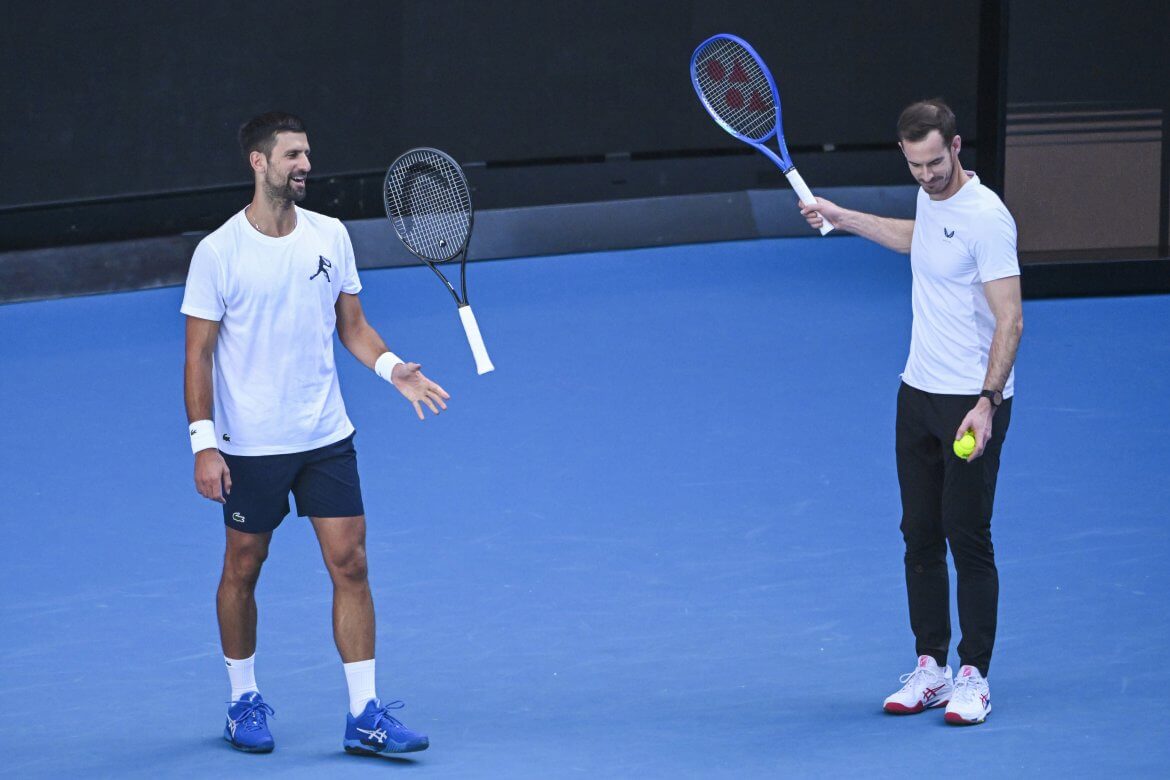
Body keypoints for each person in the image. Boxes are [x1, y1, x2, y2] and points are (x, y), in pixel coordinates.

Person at [182, 111, 449, 754]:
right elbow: (197, 356)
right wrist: (204, 444)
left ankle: (365, 715)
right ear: (259, 162)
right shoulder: (218, 252)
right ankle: (242, 699)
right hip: (252, 445)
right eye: (293, 155)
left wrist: (393, 371)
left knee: (351, 564)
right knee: (244, 567)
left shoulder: (330, 236)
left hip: (327, 434)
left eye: (307, 155)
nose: (305, 165)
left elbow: (352, 326)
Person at [799, 100, 1022, 726]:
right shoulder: (931, 197)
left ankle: (973, 675)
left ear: (956, 147)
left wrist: (987, 402)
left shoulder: (987, 218)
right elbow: (920, 240)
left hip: (970, 402)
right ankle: (932, 666)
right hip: (916, 394)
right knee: (919, 535)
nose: (927, 176)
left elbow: (1011, 318)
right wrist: (842, 218)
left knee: (966, 536)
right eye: (916, 166)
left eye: (935, 162)